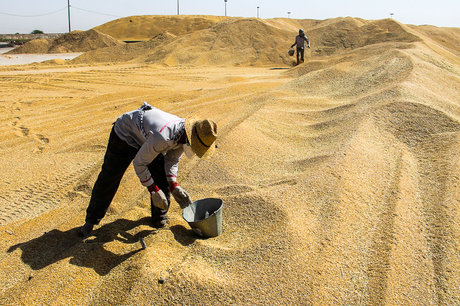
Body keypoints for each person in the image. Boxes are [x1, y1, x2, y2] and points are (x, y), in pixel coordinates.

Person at [78, 102, 218, 237]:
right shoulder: (165, 136)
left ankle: (159, 217)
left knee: (161, 175)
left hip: (148, 139)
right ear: (191, 138)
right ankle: (91, 220)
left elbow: (171, 160)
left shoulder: (184, 137)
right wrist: (153, 190)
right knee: (111, 176)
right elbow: (139, 163)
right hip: (125, 134)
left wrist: (173, 185)